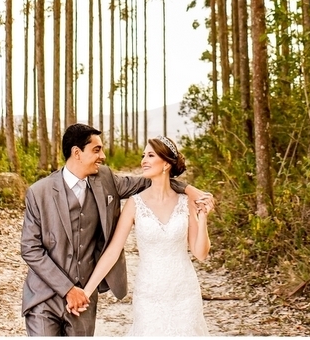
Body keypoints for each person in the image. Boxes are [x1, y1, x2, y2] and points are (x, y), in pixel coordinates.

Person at [20, 124, 213, 336]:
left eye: (150, 155)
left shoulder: (105, 179)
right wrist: (69, 289)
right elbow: (30, 249)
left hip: (86, 297)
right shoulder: (39, 192)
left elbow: (152, 183)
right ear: (77, 153)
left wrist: (191, 191)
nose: (103, 156)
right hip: (44, 296)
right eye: (97, 150)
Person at [77, 136, 212, 336]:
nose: (143, 161)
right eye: (143, 155)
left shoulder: (186, 202)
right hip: (149, 293)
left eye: (150, 155)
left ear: (166, 163)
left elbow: (200, 253)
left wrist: (203, 219)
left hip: (184, 292)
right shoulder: (135, 203)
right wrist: (87, 291)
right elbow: (112, 251)